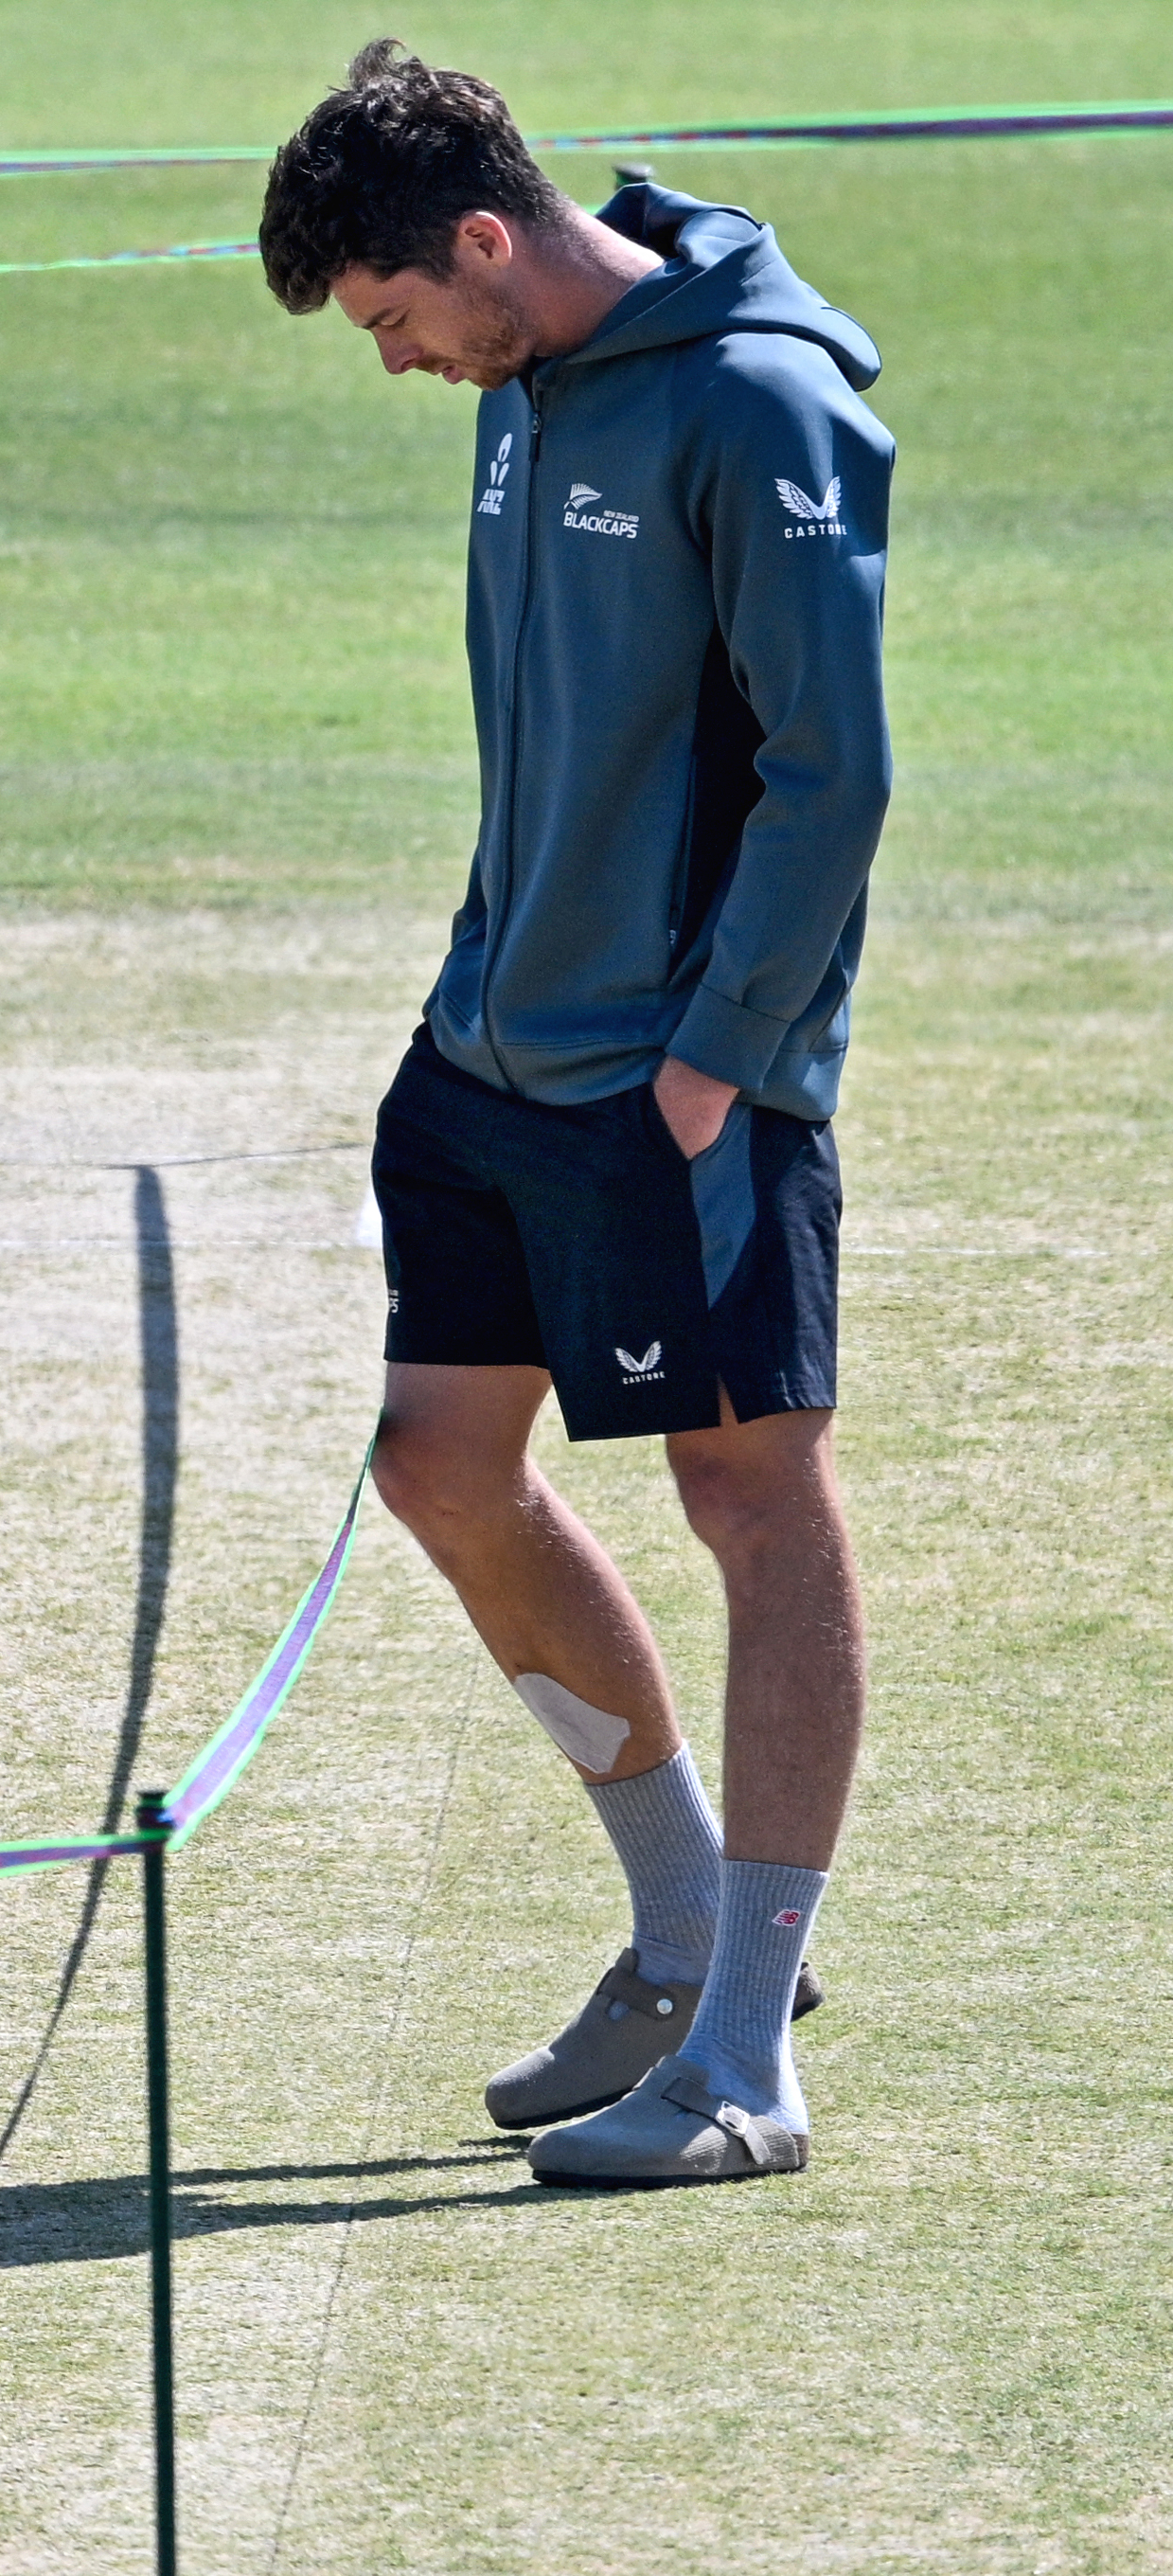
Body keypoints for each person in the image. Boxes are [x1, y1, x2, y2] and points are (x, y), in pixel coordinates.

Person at [258, 44, 893, 2186]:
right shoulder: (522, 395)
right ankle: (687, 1933)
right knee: (442, 1465)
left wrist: (719, 1055)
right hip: (489, 1054)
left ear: (480, 237)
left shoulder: (765, 405)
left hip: (677, 1085)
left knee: (751, 1499)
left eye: (393, 318)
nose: (399, 361)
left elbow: (835, 773)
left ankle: (745, 2062)